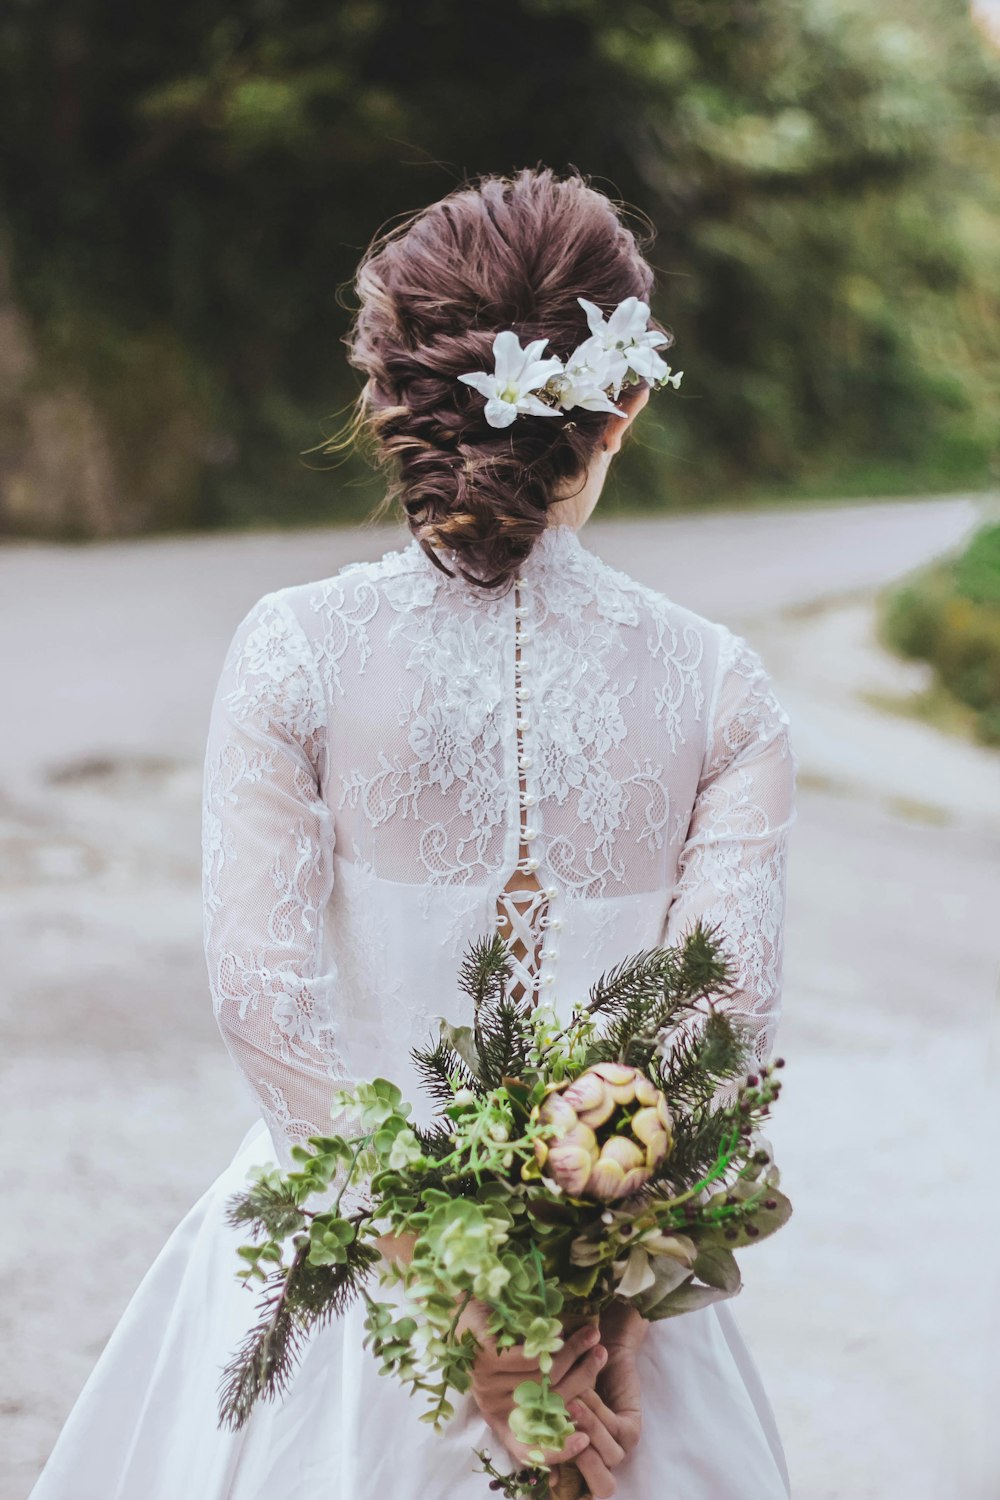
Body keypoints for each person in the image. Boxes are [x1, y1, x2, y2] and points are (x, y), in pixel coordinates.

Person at [27, 165, 796, 1500]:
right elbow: (719, 1028)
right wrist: (587, 1321)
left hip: (343, 1294)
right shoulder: (722, 689)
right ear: (622, 408)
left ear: (390, 396)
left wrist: (467, 1315)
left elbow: (266, 1003)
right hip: (612, 1353)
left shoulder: (296, 653)